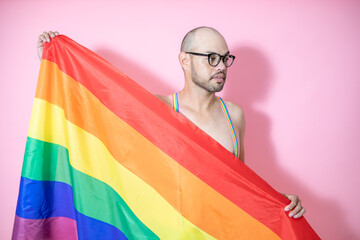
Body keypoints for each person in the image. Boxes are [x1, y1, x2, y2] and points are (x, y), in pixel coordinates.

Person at [36, 28, 306, 219]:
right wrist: (54, 61)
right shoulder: (159, 109)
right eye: (211, 58)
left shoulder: (234, 115)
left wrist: (279, 201)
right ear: (185, 60)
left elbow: (240, 184)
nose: (221, 66)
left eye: (225, 58)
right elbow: (94, 114)